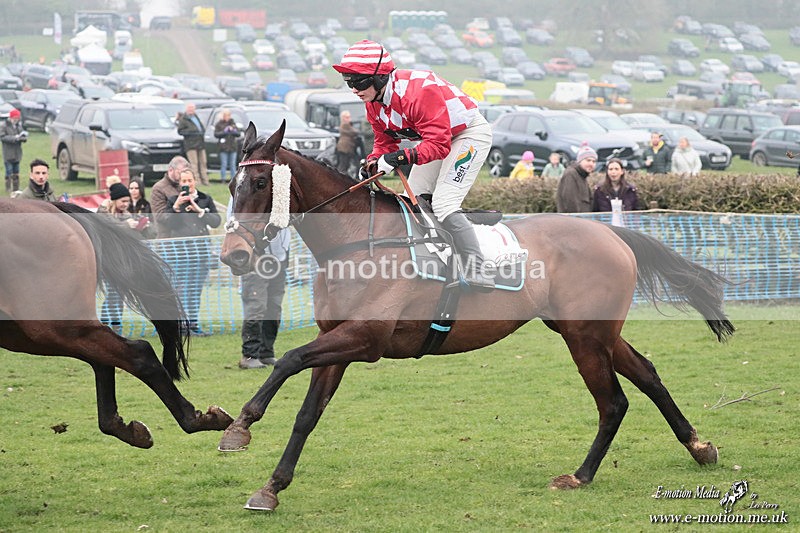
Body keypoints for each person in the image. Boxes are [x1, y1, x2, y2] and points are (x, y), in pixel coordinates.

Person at [333, 40, 494, 290]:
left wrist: (397, 158)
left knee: (443, 204)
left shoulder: (418, 91)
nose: (354, 88)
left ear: (380, 77)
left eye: (359, 81)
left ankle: (479, 269)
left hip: (467, 135)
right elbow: (384, 143)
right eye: (349, 81)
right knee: (415, 201)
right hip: (437, 138)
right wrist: (375, 161)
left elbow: (439, 146)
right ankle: (444, 255)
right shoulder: (373, 103)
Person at [163, 168, 221, 336]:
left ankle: (193, 323)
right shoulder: (173, 200)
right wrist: (176, 207)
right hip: (181, 254)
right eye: (183, 181)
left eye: (189, 181)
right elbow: (167, 222)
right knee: (181, 289)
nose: (187, 184)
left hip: (201, 252)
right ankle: (181, 325)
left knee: (195, 290)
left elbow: (216, 221)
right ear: (179, 183)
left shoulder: (205, 199)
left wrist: (200, 210)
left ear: (194, 181)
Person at [238, 228, 291, 369]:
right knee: (256, 307)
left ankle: (266, 353)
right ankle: (249, 356)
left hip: (280, 258)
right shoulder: (243, 204)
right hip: (256, 258)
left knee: (274, 308)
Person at [96, 182, 139, 333]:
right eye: (123, 201)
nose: (126, 204)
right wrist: (127, 226)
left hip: (122, 260)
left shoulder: (126, 215)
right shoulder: (102, 214)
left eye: (128, 201)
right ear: (114, 200)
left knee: (119, 294)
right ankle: (108, 325)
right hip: (107, 260)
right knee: (113, 294)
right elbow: (108, 229)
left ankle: (115, 324)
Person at [150, 155, 190, 238]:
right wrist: (176, 207)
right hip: (168, 238)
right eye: (180, 173)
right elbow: (160, 216)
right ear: (171, 170)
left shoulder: (186, 185)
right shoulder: (158, 189)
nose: (183, 176)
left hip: (187, 235)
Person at [556, 143, 596, 213]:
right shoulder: (571, 174)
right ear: (580, 161)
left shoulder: (582, 175)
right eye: (588, 160)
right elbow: (570, 203)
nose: (591, 164)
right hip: (574, 222)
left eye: (593, 161)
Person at [177, 102, 209, 186]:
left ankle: (205, 180)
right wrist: (191, 132)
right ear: (187, 109)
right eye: (189, 108)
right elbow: (180, 131)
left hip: (200, 144)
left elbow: (201, 128)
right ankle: (197, 181)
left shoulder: (196, 117)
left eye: (192, 108)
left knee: (203, 162)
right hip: (191, 145)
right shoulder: (184, 119)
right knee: (194, 164)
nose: (191, 110)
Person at [1, 108, 27, 193]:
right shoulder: (4, 126)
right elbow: (2, 137)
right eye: (15, 117)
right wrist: (14, 138)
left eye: (17, 118)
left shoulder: (18, 126)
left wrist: (22, 138)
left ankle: (16, 188)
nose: (16, 119)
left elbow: (23, 136)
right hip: (8, 153)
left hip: (17, 153)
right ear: (11, 117)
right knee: (9, 171)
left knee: (16, 171)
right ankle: (8, 188)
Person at [214, 109, 241, 183]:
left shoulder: (233, 123)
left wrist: (233, 131)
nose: (227, 117)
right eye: (226, 115)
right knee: (224, 164)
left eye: (228, 115)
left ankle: (233, 180)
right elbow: (216, 134)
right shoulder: (219, 124)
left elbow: (238, 134)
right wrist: (224, 132)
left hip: (233, 147)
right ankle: (223, 179)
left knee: (233, 165)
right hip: (223, 147)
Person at [335, 110, 359, 174]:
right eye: (347, 117)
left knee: (345, 164)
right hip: (344, 147)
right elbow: (354, 132)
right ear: (343, 118)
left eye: (349, 117)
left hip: (346, 147)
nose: (349, 119)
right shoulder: (345, 125)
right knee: (343, 165)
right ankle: (340, 176)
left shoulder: (346, 125)